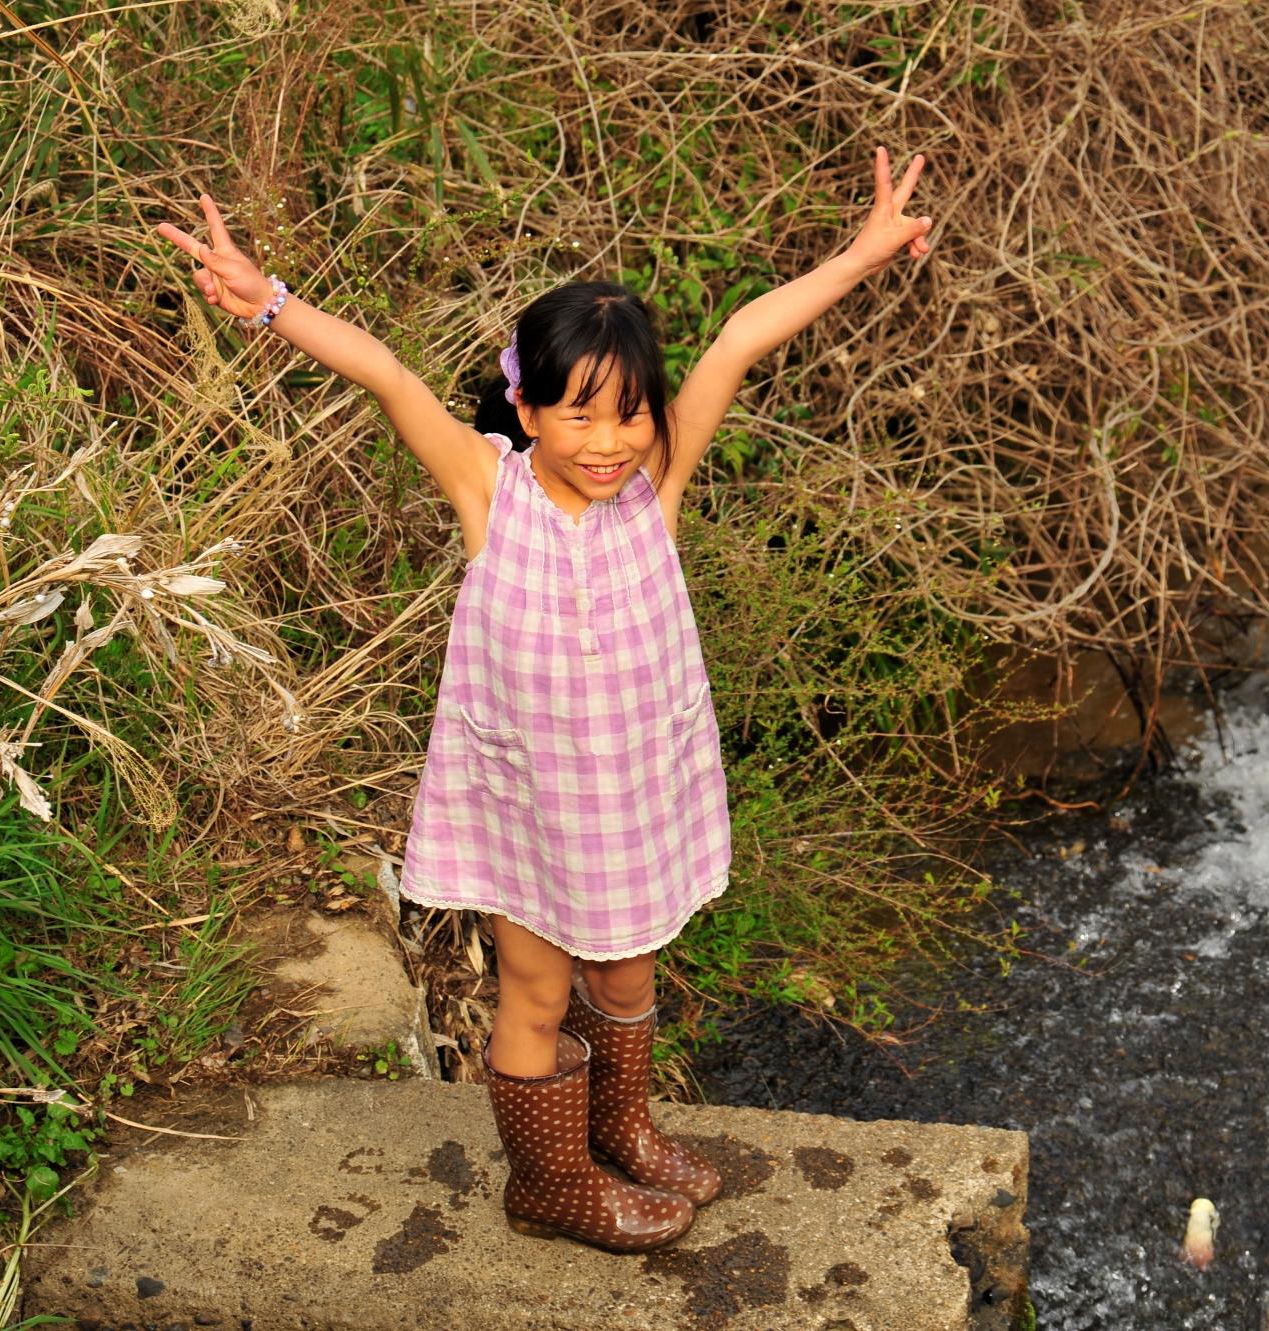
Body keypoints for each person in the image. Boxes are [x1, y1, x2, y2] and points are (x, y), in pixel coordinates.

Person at [155, 147, 932, 1252]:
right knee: (533, 989)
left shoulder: (655, 491)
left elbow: (742, 337)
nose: (606, 443)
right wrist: (266, 299)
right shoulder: (489, 491)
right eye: (576, 415)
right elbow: (383, 371)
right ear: (522, 406)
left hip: (631, 799)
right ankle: (551, 1181)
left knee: (628, 970)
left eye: (628, 415)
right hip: (523, 807)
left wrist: (860, 253)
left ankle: (621, 1125)